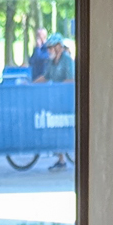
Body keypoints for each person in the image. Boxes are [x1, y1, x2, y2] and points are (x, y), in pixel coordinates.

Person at [44, 35, 74, 166]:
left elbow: (71, 78)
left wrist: (59, 87)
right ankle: (61, 158)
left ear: (58, 48)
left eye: (51, 47)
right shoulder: (51, 62)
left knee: (64, 126)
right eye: (48, 48)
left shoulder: (66, 60)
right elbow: (46, 77)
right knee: (56, 127)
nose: (49, 50)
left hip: (66, 99)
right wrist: (30, 84)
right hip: (56, 99)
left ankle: (68, 153)